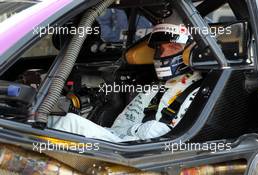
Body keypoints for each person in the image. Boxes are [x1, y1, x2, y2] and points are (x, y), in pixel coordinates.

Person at [48, 10, 202, 142]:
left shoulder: (201, 91)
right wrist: (138, 131)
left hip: (152, 157)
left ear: (190, 51)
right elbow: (119, 129)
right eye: (160, 48)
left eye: (173, 47)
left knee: (70, 123)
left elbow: (189, 142)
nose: (163, 54)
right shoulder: (154, 89)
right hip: (123, 146)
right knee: (56, 121)